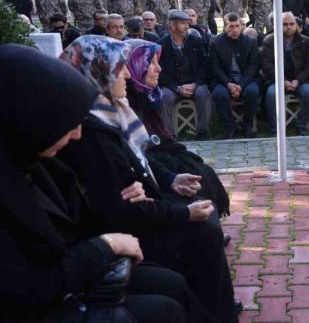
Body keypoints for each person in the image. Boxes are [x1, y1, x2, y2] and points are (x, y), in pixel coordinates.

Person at [0, 44, 213, 323]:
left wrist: (141, 187)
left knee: (172, 284)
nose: (76, 133)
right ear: (31, 118)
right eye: (66, 121)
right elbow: (30, 290)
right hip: (50, 300)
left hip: (79, 268)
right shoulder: (80, 141)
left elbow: (81, 214)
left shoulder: (34, 159)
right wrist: (107, 245)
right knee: (167, 305)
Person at [57, 36, 236, 323]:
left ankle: (217, 307)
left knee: (203, 203)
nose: (127, 73)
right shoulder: (91, 133)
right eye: (119, 68)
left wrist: (171, 179)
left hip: (141, 208)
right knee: (203, 234)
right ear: (97, 73)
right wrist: (183, 214)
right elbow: (121, 207)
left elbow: (141, 159)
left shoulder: (113, 111)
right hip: (123, 232)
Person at [124, 39, 230, 217]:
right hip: (145, 163)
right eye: (152, 63)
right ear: (136, 66)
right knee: (190, 174)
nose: (159, 68)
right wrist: (170, 175)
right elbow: (136, 150)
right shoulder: (127, 102)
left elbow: (162, 136)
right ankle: (202, 222)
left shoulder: (145, 95)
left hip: (158, 152)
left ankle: (210, 220)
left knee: (200, 169)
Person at [157, 10, 212, 140]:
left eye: (187, 23)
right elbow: (160, 73)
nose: (187, 26)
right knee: (164, 96)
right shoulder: (161, 45)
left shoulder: (196, 41)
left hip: (194, 83)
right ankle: (169, 136)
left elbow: (204, 65)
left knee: (203, 93)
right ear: (172, 25)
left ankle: (203, 132)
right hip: (172, 86)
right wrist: (177, 88)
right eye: (183, 23)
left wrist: (194, 84)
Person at [261, 12, 309, 135]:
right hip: (276, 80)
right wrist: (283, 81)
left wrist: (298, 80)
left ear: (296, 25)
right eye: (285, 24)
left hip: (300, 81)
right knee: (271, 94)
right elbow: (267, 66)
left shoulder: (305, 41)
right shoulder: (270, 40)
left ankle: (301, 125)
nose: (289, 27)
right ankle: (275, 128)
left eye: (292, 24)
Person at [210, 13, 260, 139]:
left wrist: (241, 85)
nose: (234, 30)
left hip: (246, 80)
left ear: (241, 27)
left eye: (237, 26)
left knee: (253, 92)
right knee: (219, 94)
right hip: (224, 81)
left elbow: (252, 67)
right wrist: (228, 84)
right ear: (225, 27)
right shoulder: (216, 42)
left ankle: (248, 125)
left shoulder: (250, 42)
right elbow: (215, 67)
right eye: (231, 26)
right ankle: (229, 126)